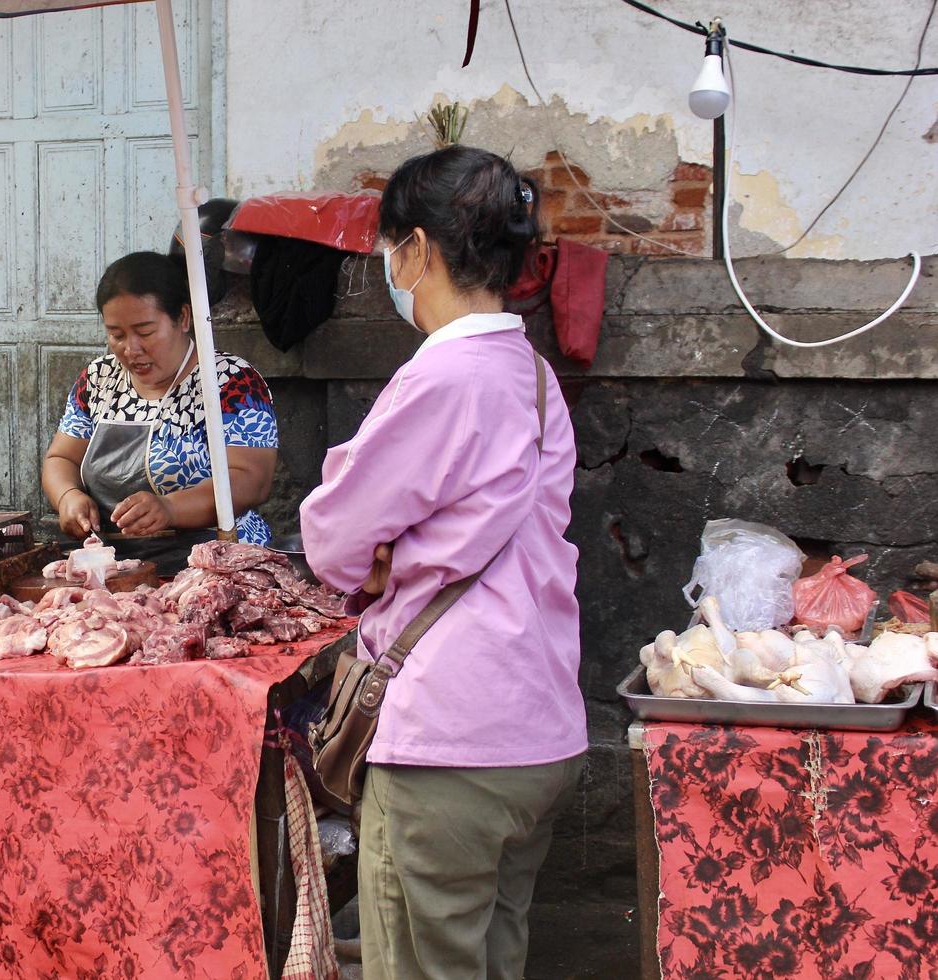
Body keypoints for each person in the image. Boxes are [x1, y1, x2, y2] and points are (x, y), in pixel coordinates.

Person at [299, 146, 587, 980]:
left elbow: (333, 540)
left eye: (390, 249)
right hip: (538, 729)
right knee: (494, 957)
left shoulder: (444, 376)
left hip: (451, 743)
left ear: (417, 249)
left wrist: (388, 559)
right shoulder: (530, 376)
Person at [42, 250, 279, 575]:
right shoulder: (98, 380)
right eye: (117, 334)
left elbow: (252, 479)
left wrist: (170, 508)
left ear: (182, 318)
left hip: (216, 565)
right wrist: (67, 496)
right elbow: (61, 459)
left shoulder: (229, 382)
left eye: (145, 331)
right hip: (116, 569)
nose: (131, 348)